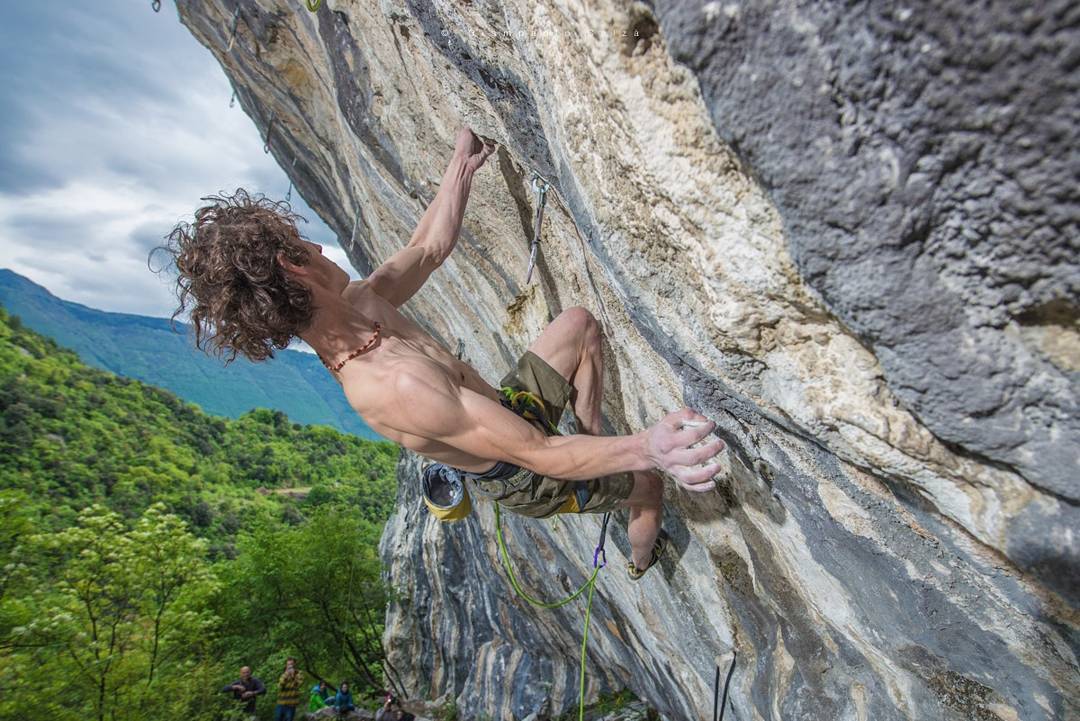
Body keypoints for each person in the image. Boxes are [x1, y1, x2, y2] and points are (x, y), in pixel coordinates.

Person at [155, 127, 725, 579]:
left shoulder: (362, 303)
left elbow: (428, 248)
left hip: (508, 409)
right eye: (303, 246)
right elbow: (542, 454)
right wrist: (648, 447)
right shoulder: (393, 388)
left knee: (577, 325)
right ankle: (640, 561)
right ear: (293, 268)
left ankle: (596, 433)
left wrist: (462, 162)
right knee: (648, 485)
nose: (319, 245)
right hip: (527, 472)